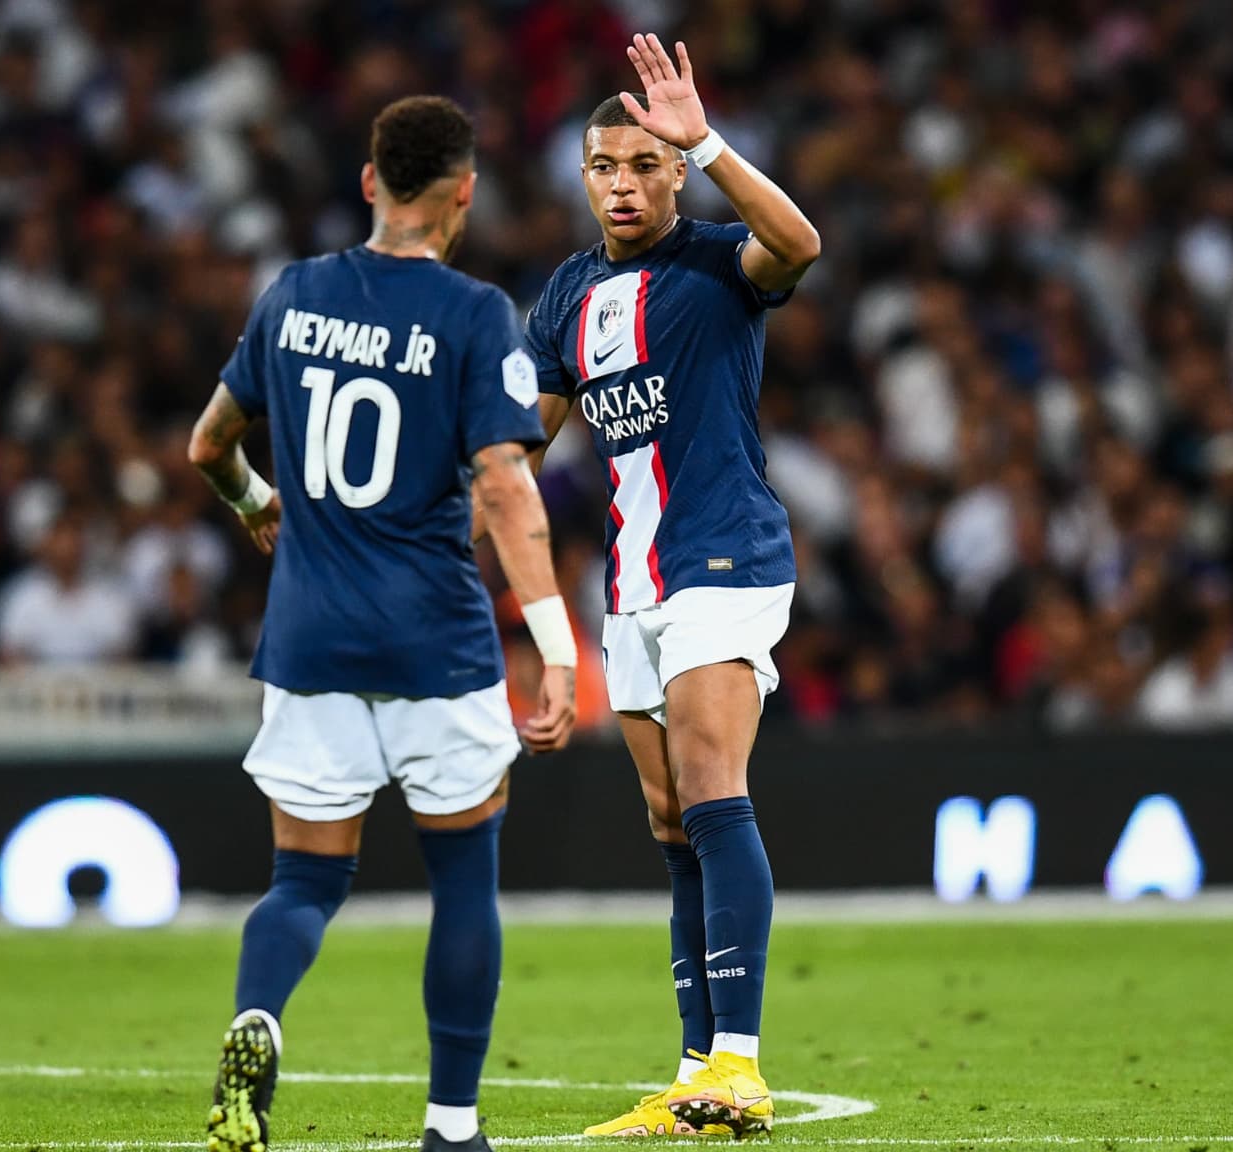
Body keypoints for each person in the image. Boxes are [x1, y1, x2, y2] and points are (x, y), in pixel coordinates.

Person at [190, 95, 579, 1152]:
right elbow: (503, 486)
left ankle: (256, 1020)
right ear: (463, 192)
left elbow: (207, 444)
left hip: (308, 638)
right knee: (463, 877)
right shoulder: (468, 313)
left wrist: (255, 504)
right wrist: (551, 647)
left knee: (305, 881)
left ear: (368, 181)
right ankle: (451, 1126)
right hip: (434, 642)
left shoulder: (293, 294)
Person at [521, 34, 820, 1139]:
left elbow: (801, 243)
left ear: (674, 173)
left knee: (707, 784)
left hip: (725, 555)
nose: (621, 183)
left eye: (645, 165)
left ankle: (738, 1064)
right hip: (631, 577)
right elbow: (520, 449)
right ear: (583, 176)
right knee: (669, 820)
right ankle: (697, 1071)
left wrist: (711, 139)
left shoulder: (715, 262)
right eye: (603, 166)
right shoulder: (562, 296)